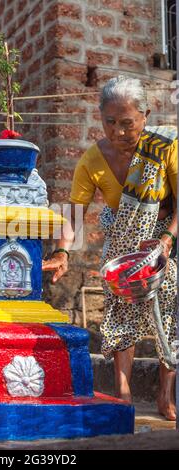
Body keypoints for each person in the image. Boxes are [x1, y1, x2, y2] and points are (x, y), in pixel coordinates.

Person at [42, 76, 177, 421]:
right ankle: (123, 393)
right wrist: (63, 253)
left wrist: (166, 240)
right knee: (119, 304)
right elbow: (74, 212)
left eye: (128, 123)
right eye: (110, 122)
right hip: (124, 242)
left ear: (145, 116)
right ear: (101, 118)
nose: (118, 132)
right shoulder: (92, 159)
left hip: (168, 238)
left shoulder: (165, 147)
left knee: (172, 304)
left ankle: (165, 392)